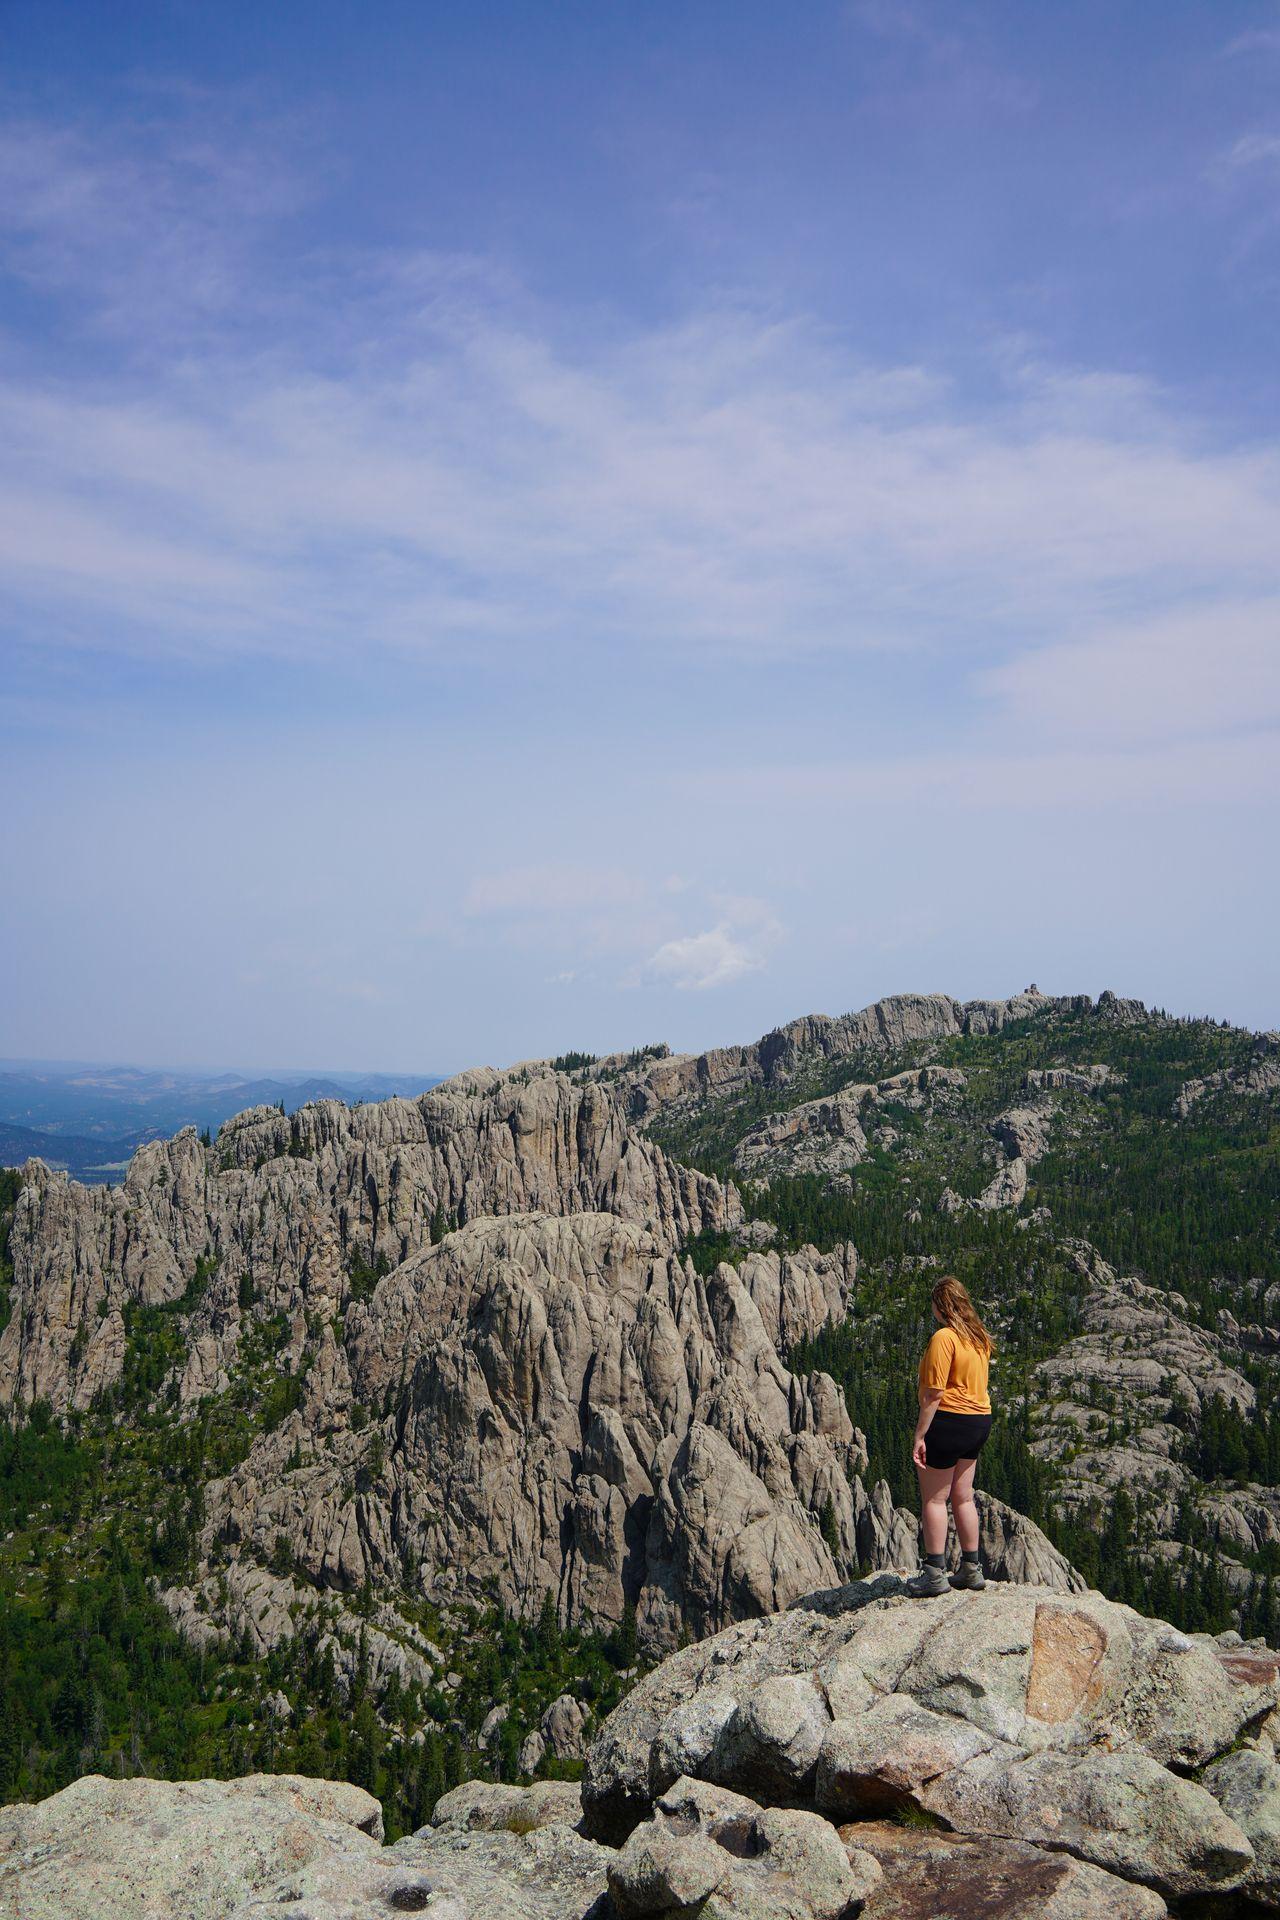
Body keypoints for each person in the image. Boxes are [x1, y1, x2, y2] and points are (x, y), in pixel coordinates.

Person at [904, 1275, 993, 1598]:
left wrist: (920, 1435)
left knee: (934, 1499)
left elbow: (933, 1394)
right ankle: (971, 1568)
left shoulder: (945, 1338)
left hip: (949, 1421)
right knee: (964, 1496)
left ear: (940, 1307)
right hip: (979, 1421)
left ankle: (934, 1574)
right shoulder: (978, 1337)